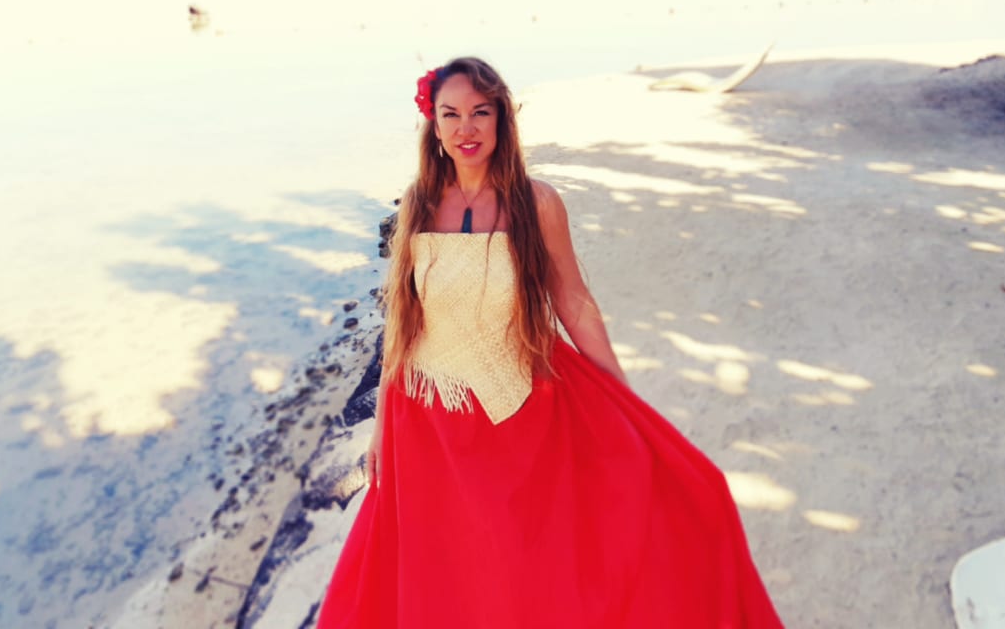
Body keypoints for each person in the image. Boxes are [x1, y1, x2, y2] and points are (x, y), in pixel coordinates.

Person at [315, 56, 784, 628]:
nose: (467, 129)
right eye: (452, 114)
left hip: (514, 415)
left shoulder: (536, 204)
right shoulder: (417, 204)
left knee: (520, 567)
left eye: (480, 113)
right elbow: (404, 325)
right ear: (433, 125)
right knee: (444, 577)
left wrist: (623, 399)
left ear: (502, 120)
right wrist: (381, 425)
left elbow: (574, 302)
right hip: (426, 422)